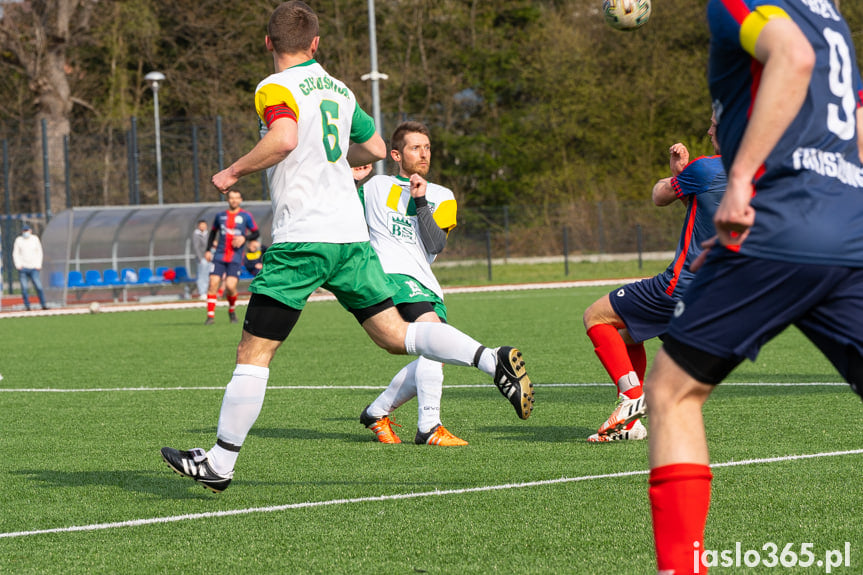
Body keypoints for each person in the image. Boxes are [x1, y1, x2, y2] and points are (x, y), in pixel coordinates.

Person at [161, 1, 533, 493]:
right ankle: (491, 358)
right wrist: (336, 158)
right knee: (396, 334)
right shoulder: (339, 88)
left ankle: (221, 462)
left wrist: (233, 172)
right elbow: (377, 149)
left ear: (269, 43)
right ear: (316, 43)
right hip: (351, 239)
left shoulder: (274, 87)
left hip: (302, 240)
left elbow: (286, 137)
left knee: (254, 353)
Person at [644, 2, 863, 573]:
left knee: (671, 391)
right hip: (849, 232)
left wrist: (741, 182)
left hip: (778, 223)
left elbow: (791, 55)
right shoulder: (831, 15)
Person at [582, 118, 725, 443]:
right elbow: (705, 206)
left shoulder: (705, 169)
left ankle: (632, 398)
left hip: (683, 284)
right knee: (627, 334)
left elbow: (660, 196)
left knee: (596, 316)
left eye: (715, 124)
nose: (709, 131)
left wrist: (679, 173)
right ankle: (631, 425)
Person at [358, 121, 470, 446]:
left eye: (427, 147)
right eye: (415, 148)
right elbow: (342, 214)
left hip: (425, 283)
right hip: (393, 278)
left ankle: (377, 412)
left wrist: (420, 200)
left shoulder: (443, 196)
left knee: (431, 351)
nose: (424, 154)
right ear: (396, 154)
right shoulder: (375, 187)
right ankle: (429, 426)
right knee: (435, 337)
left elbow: (435, 245)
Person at [204, 189, 259, 325]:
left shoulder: (246, 216)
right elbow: (212, 233)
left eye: (237, 198)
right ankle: (210, 316)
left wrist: (243, 237)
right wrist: (207, 250)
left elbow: (256, 233)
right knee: (213, 283)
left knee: (230, 286)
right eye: (231, 198)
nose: (234, 200)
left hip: (235, 257)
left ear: (240, 200)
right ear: (228, 200)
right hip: (219, 255)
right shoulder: (220, 216)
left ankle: (232, 310)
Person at [12, 224, 48, 311]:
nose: (26, 233)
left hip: (34, 268)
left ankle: (43, 304)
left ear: (30, 231)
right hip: (23, 268)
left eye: (27, 231)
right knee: (24, 288)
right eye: (24, 231)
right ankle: (27, 305)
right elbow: (15, 253)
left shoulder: (35, 239)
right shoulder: (19, 240)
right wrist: (18, 265)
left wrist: (38, 265)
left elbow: (39, 252)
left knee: (38, 286)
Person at [192, 219, 210, 300]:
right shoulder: (196, 234)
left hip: (209, 258)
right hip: (201, 258)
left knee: (207, 275)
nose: (203, 226)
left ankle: (206, 291)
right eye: (201, 225)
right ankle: (202, 292)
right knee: (201, 275)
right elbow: (196, 247)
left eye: (204, 225)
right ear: (198, 226)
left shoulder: (208, 234)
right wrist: (200, 258)